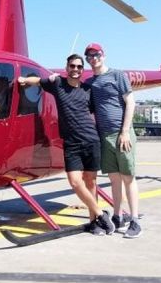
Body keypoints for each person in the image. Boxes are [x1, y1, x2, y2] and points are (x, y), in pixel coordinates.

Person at [18, 54, 115, 236]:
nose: (76, 70)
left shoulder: (88, 90)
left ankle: (94, 222)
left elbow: (98, 110)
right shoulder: (57, 84)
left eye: (79, 67)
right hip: (71, 143)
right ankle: (102, 214)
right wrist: (23, 80)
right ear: (67, 67)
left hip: (90, 140)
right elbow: (37, 81)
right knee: (75, 183)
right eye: (72, 66)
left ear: (82, 69)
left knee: (91, 183)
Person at [82, 42, 142, 238]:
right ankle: (117, 215)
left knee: (128, 177)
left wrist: (125, 131)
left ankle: (134, 220)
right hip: (104, 135)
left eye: (96, 55)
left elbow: (130, 102)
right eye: (89, 56)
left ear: (103, 55)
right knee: (114, 178)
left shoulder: (117, 75)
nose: (93, 59)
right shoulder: (90, 84)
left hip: (121, 133)